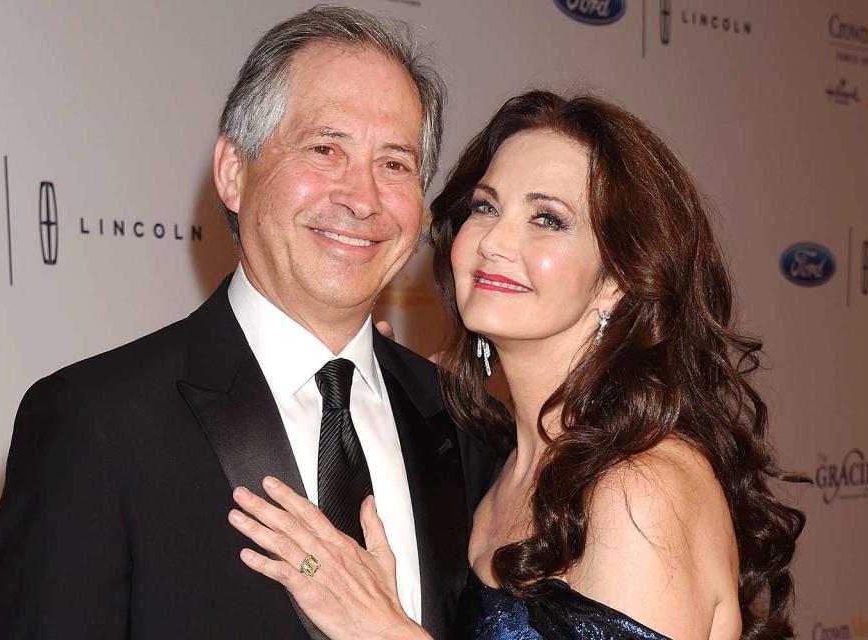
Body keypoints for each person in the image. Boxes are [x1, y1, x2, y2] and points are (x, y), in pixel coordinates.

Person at [0, 6, 496, 639]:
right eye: (325, 148)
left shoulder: (469, 428)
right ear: (233, 171)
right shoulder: (95, 424)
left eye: (395, 164)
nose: (362, 198)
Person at [226, 91, 807, 640]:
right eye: (486, 206)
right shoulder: (500, 462)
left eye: (548, 218)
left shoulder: (640, 487)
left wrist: (385, 629)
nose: (494, 240)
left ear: (618, 280)